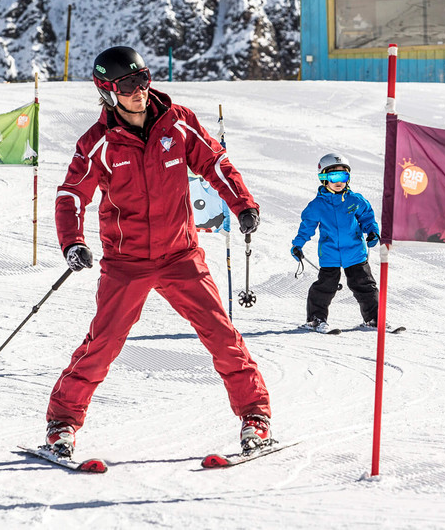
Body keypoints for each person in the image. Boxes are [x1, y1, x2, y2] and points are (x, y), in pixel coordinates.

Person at [45, 45, 272, 458]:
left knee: (222, 335)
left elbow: (215, 163)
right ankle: (62, 424)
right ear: (108, 91)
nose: (140, 91)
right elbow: (72, 195)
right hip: (126, 262)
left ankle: (255, 417)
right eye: (128, 84)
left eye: (144, 79)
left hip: (180, 255)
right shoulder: (98, 143)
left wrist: (243, 204)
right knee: (104, 343)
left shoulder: (178, 123)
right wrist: (73, 242)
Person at [290, 153, 381, 333]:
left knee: (365, 286)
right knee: (325, 287)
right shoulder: (317, 206)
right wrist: (297, 245)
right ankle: (316, 319)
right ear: (324, 178)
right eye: (333, 177)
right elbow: (306, 227)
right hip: (330, 254)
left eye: (343, 176)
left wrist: (372, 232)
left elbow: (368, 219)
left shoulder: (355, 200)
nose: (339, 181)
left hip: (355, 252)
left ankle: (374, 319)